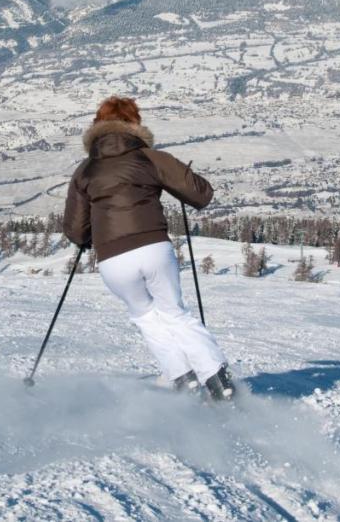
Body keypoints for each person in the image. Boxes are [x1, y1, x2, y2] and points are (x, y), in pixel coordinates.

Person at [63, 96, 235, 401]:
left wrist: (91, 235)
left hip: (112, 259)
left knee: (144, 316)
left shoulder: (84, 171)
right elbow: (201, 194)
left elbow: (76, 231)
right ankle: (219, 383)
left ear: (96, 127)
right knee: (174, 313)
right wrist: (181, 175)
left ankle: (183, 380)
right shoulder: (150, 158)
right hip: (153, 247)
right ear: (135, 124)